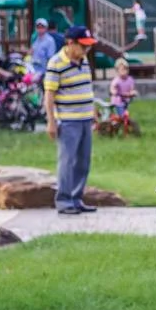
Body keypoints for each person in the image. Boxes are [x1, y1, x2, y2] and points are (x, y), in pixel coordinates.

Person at [45, 25, 99, 216]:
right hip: (68, 121)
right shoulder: (56, 63)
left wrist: (93, 111)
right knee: (67, 161)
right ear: (70, 43)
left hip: (85, 119)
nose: (86, 50)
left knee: (83, 161)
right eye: (83, 46)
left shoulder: (83, 61)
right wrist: (51, 122)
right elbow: (49, 95)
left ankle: (77, 198)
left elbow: (87, 88)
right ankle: (64, 200)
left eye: (88, 46)